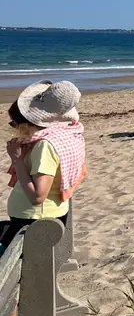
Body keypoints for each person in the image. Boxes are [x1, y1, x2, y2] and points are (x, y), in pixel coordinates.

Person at [3, 80, 87, 253]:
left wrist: (17, 160)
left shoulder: (45, 146)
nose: (14, 129)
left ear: (29, 123)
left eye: (14, 124)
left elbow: (37, 196)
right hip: (48, 215)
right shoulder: (70, 132)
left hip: (34, 220)